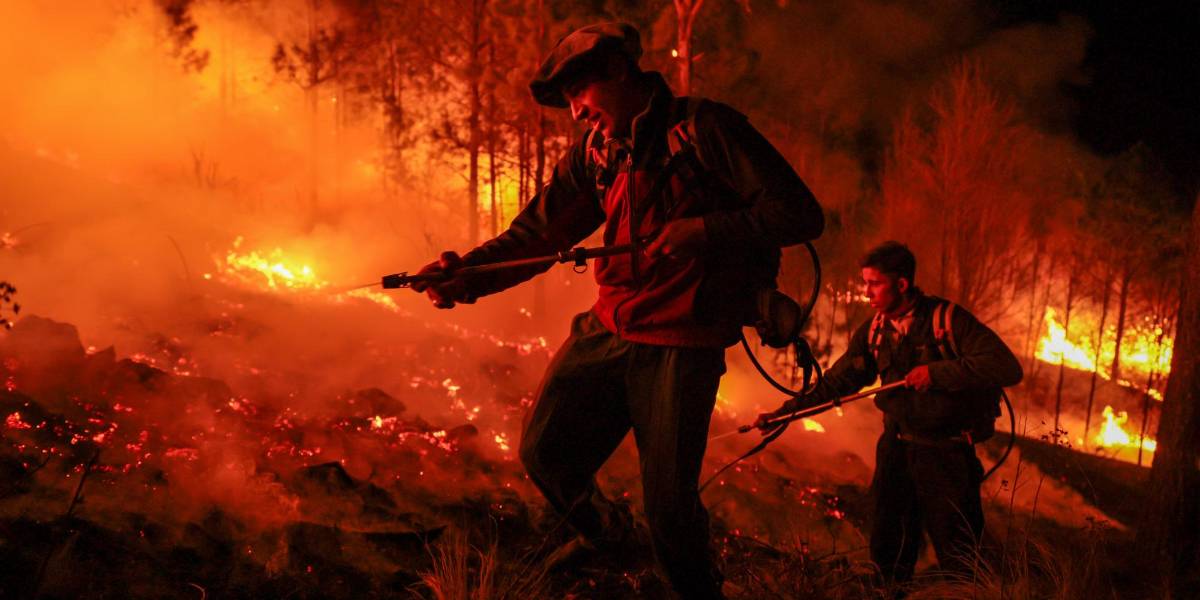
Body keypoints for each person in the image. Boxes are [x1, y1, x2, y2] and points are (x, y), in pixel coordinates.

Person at [411, 22, 823, 599]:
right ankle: (610, 537)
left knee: (669, 507)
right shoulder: (595, 153)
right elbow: (537, 236)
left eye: (580, 92)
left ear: (618, 70)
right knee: (545, 452)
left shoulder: (704, 129)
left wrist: (704, 230)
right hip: (608, 327)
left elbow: (799, 213)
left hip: (682, 343)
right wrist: (466, 277)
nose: (576, 111)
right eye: (568, 101)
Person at [759, 241, 1022, 585]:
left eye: (874, 283)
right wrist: (782, 414)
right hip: (895, 451)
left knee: (959, 553)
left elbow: (1005, 367)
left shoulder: (947, 321)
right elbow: (837, 383)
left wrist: (936, 373)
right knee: (888, 550)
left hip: (946, 456)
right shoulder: (874, 331)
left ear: (901, 284)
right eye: (864, 283)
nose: (866, 292)